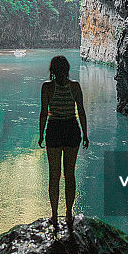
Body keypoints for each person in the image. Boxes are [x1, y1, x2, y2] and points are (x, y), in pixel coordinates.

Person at [38, 55, 89, 227]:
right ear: (67, 69)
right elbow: (80, 111)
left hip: (53, 130)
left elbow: (44, 113)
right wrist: (85, 133)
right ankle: (68, 214)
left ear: (52, 70)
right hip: (71, 129)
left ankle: (54, 215)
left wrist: (40, 134)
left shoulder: (47, 87)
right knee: (70, 174)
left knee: (54, 175)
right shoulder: (74, 87)